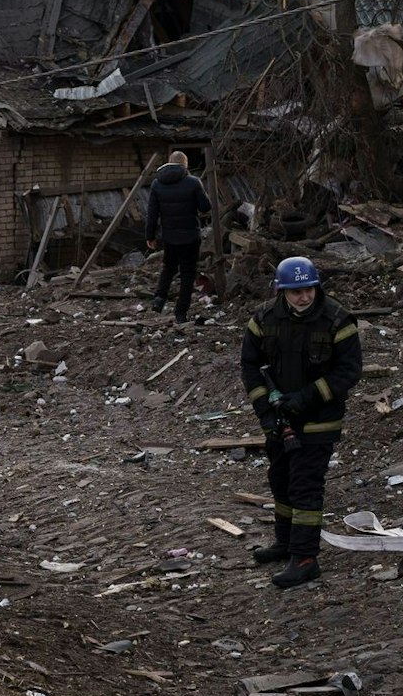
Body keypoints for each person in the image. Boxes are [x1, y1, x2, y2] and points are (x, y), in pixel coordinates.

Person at [240, 256, 362, 590]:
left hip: (320, 419)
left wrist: (306, 397)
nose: (303, 297)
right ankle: (285, 542)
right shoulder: (264, 319)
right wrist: (267, 410)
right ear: (281, 291)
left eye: (308, 289)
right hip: (279, 419)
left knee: (305, 485)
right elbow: (250, 366)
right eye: (295, 292)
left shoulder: (337, 320)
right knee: (280, 479)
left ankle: (305, 558)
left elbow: (348, 371)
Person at [144, 150, 211, 322]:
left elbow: (152, 214)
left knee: (168, 268)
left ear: (169, 162)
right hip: (190, 237)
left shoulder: (157, 184)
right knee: (188, 275)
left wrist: (150, 236)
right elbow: (205, 207)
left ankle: (159, 299)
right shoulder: (193, 182)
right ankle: (180, 313)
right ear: (185, 164)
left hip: (169, 237)